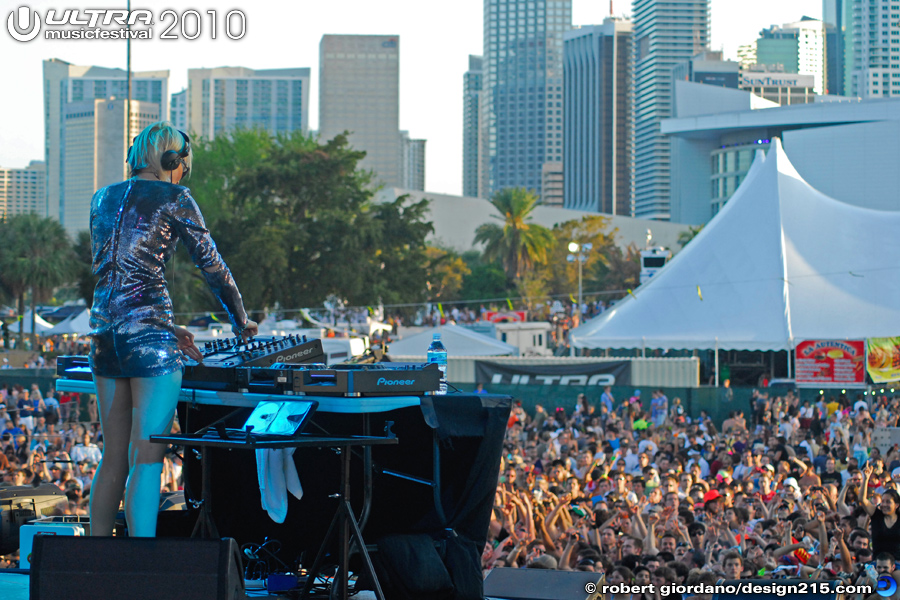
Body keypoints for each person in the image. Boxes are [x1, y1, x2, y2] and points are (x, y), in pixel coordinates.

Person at [87, 121, 257, 537]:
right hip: (151, 348)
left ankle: (91, 561)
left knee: (113, 458)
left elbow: (118, 279)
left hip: (106, 339)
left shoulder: (102, 197)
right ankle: (139, 567)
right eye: (183, 164)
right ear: (172, 161)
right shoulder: (176, 196)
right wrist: (241, 318)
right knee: (147, 456)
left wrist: (170, 325)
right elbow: (211, 265)